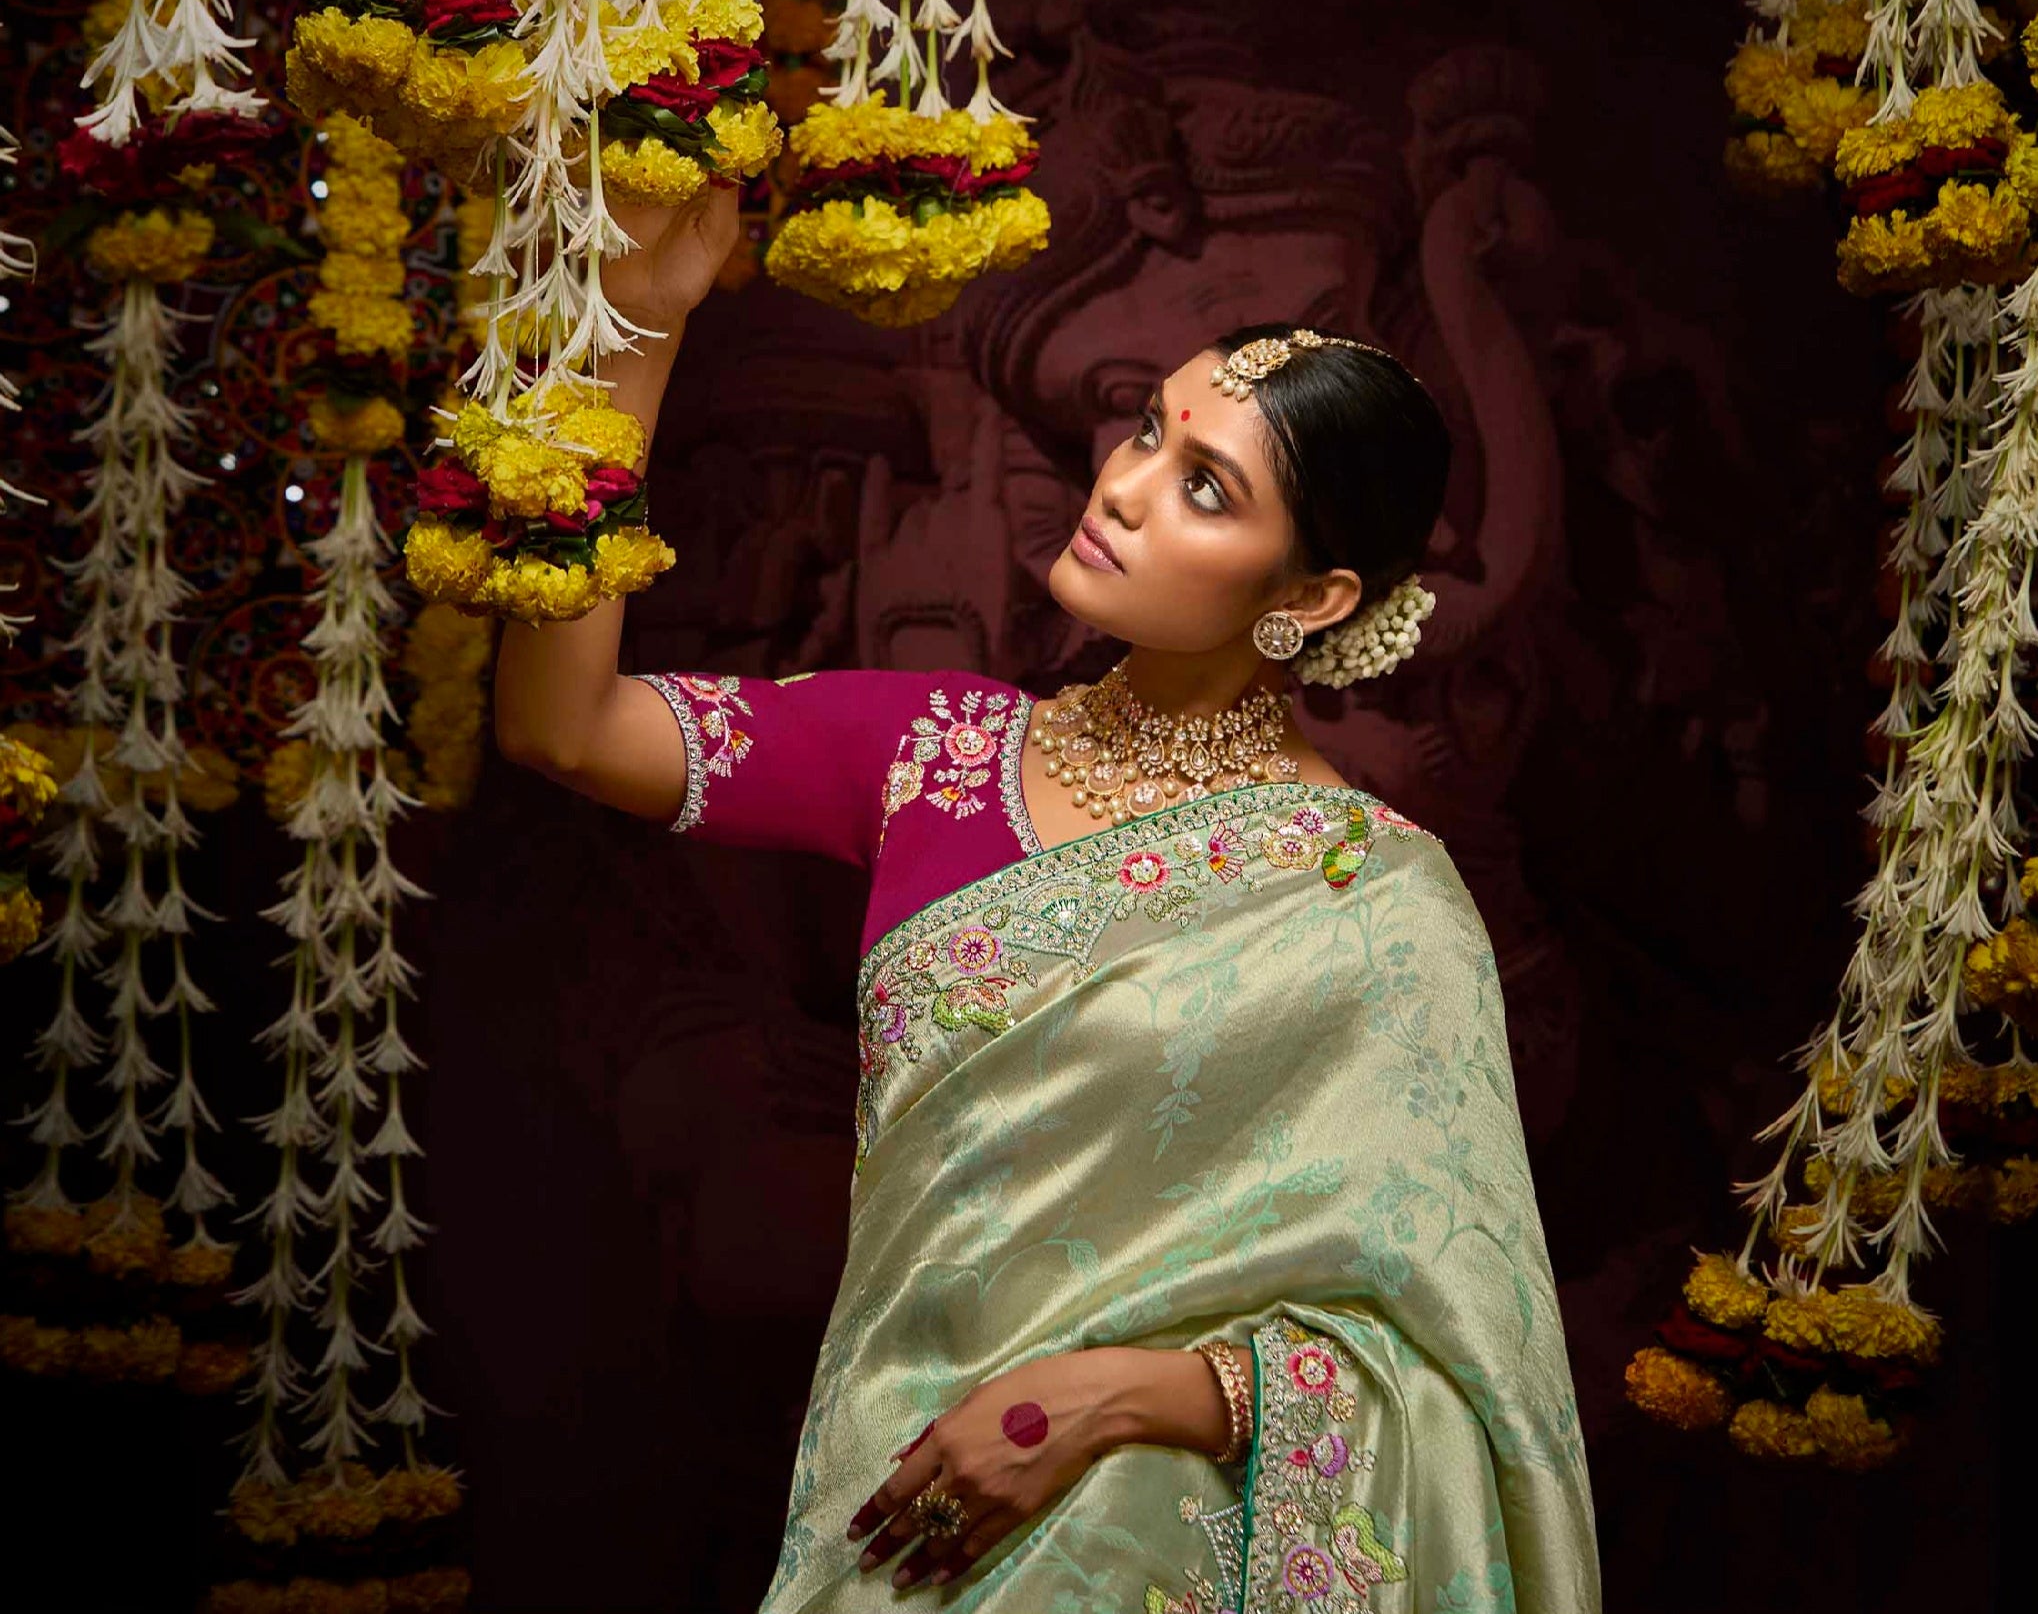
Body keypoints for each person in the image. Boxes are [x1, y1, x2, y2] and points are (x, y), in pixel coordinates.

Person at [496, 187, 1600, 1613]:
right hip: (892, 1525)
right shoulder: (935, 759)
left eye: (1209, 488)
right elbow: (562, 726)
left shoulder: (1377, 900)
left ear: (1314, 598)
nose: (1129, 485)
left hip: (1168, 1559)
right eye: (1150, 429)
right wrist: (637, 327)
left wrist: (1131, 1395)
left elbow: (1466, 1381)